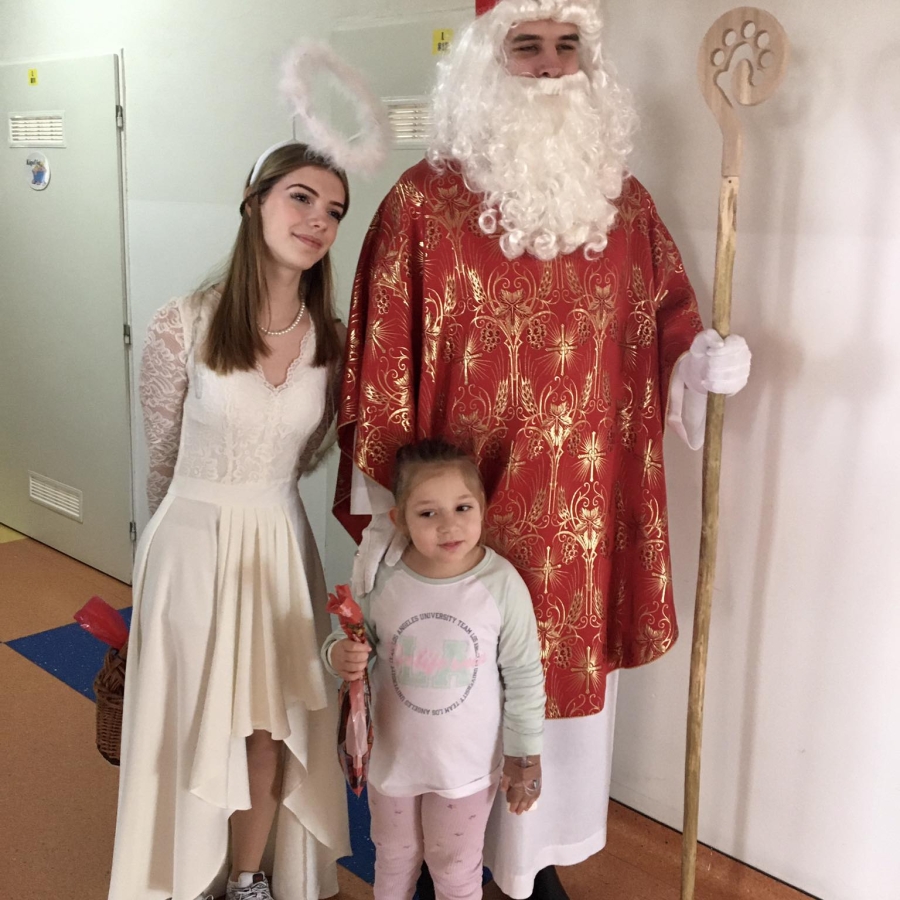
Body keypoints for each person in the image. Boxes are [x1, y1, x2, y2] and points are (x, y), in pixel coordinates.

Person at [333, 2, 753, 899]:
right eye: (528, 46)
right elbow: (381, 363)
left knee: (551, 702)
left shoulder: (624, 206)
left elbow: (665, 318)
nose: (552, 66)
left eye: (568, 47)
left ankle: (531, 861)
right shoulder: (420, 206)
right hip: (455, 528)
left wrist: (698, 358)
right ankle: (447, 861)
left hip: (578, 535)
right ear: (486, 60)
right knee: (444, 696)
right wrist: (387, 520)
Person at [108, 142, 353, 900]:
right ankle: (183, 878)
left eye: (334, 211)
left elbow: (306, 452)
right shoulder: (183, 323)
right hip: (191, 545)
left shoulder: (331, 339)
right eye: (300, 198)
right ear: (254, 201)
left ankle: (248, 877)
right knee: (191, 725)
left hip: (278, 547)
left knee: (269, 728)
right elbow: (161, 460)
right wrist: (167, 563)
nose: (317, 221)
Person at [323, 439, 546, 900]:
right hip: (393, 763)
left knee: (457, 870)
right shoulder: (382, 578)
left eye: (462, 507)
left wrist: (524, 756)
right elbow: (349, 639)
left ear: (482, 507)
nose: (449, 525)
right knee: (392, 861)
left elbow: (524, 675)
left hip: (465, 769)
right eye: (428, 513)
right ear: (400, 519)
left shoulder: (500, 585)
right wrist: (336, 655)